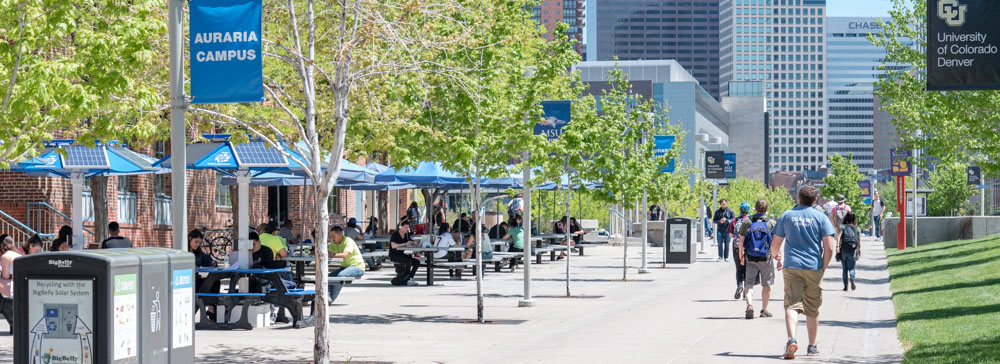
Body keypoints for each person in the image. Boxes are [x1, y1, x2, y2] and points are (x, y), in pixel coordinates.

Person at [771, 185, 837, 359]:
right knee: (812, 308)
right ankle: (812, 346)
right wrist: (823, 266)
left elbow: (775, 243)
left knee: (791, 304)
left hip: (792, 266)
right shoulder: (821, 217)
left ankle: (791, 339)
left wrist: (776, 257)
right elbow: (829, 246)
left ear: (798, 198)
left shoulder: (787, 215)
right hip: (813, 266)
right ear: (815, 200)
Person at [738, 199, 778, 320]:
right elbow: (775, 243)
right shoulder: (771, 223)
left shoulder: (747, 221)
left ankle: (749, 305)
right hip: (765, 258)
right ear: (767, 209)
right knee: (766, 285)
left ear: (755, 208)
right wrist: (778, 257)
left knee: (749, 283)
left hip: (750, 257)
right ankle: (764, 310)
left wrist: (741, 254)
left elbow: (741, 241)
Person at [188, 229, 220, 321]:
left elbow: (208, 260)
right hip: (190, 283)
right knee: (208, 286)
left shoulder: (199, 253)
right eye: (196, 241)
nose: (197, 244)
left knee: (216, 282)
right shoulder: (184, 251)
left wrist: (212, 263)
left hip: (198, 280)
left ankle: (211, 308)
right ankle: (211, 310)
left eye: (199, 242)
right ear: (190, 239)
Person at [327, 226, 365, 302]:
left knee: (340, 276)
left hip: (357, 267)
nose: (332, 238)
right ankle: (327, 296)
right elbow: (328, 252)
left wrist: (331, 254)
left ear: (340, 234)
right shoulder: (333, 242)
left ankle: (331, 298)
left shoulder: (348, 241)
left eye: (334, 236)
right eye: (331, 237)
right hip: (345, 267)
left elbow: (345, 255)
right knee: (329, 277)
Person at [729, 202, 752, 300]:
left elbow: (731, 235)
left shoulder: (734, 220)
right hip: (748, 248)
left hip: (737, 248)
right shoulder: (750, 221)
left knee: (739, 269)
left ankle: (739, 286)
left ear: (740, 210)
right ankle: (746, 292)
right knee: (747, 269)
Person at [389, 221, 420, 286]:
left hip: (401, 254)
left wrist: (412, 243)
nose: (407, 229)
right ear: (401, 227)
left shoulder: (406, 235)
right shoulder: (395, 234)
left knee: (416, 262)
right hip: (394, 255)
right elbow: (393, 245)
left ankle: (410, 278)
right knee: (408, 261)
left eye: (408, 227)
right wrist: (405, 244)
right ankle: (407, 278)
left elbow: (409, 241)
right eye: (405, 227)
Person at [837, 212, 861, 291]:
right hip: (853, 249)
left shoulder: (842, 227)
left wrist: (837, 247)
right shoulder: (856, 228)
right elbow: (858, 241)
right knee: (852, 268)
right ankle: (852, 277)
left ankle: (845, 286)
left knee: (844, 268)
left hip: (844, 249)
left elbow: (839, 237)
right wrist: (859, 252)